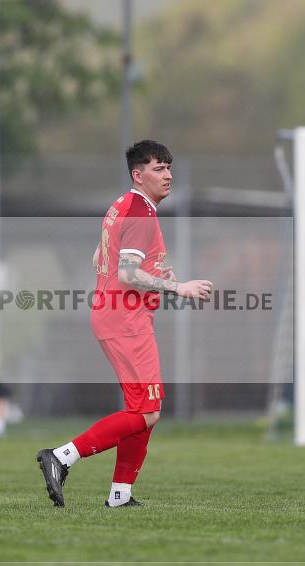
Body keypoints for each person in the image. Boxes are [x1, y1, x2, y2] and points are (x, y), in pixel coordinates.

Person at [36, 140, 212, 507]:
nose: (167, 175)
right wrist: (178, 287)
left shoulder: (122, 205)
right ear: (138, 174)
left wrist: (152, 274)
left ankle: (120, 495)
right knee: (147, 412)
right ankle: (63, 456)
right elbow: (128, 273)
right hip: (125, 319)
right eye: (158, 168)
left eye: (168, 167)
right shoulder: (140, 212)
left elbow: (100, 255)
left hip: (116, 315)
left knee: (144, 410)